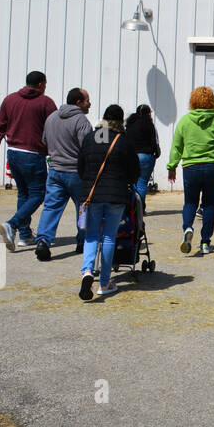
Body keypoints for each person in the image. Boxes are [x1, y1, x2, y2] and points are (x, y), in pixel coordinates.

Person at [76, 104, 140, 300]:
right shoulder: (123, 140)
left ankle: (87, 271)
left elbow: (81, 166)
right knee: (110, 237)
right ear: (121, 121)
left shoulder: (91, 138)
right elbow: (134, 170)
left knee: (91, 235)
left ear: (103, 118)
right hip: (116, 195)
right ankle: (104, 282)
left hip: (92, 194)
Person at [0, 71, 57, 252]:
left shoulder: (10, 100)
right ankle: (12, 224)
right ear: (41, 84)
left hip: (13, 152)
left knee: (23, 194)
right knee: (38, 194)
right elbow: (54, 129)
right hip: (33, 154)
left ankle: (25, 235)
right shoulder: (46, 102)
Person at [167, 86, 214, 256]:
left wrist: (171, 166)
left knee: (190, 203)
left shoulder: (185, 120)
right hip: (213, 166)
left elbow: (177, 146)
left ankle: (188, 228)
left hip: (191, 167)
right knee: (209, 205)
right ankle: (205, 242)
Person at [34, 87, 92, 260]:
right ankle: (82, 241)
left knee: (51, 207)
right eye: (87, 100)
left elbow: (44, 140)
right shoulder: (81, 120)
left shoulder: (51, 117)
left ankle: (43, 241)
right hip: (76, 172)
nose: (90, 104)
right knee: (83, 207)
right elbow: (87, 147)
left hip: (55, 170)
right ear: (78, 103)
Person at [125, 104, 161, 204]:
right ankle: (140, 208)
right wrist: (156, 153)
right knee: (142, 183)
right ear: (148, 113)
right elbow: (155, 142)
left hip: (132, 156)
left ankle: (132, 208)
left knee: (133, 183)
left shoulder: (129, 125)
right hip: (146, 156)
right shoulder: (149, 125)